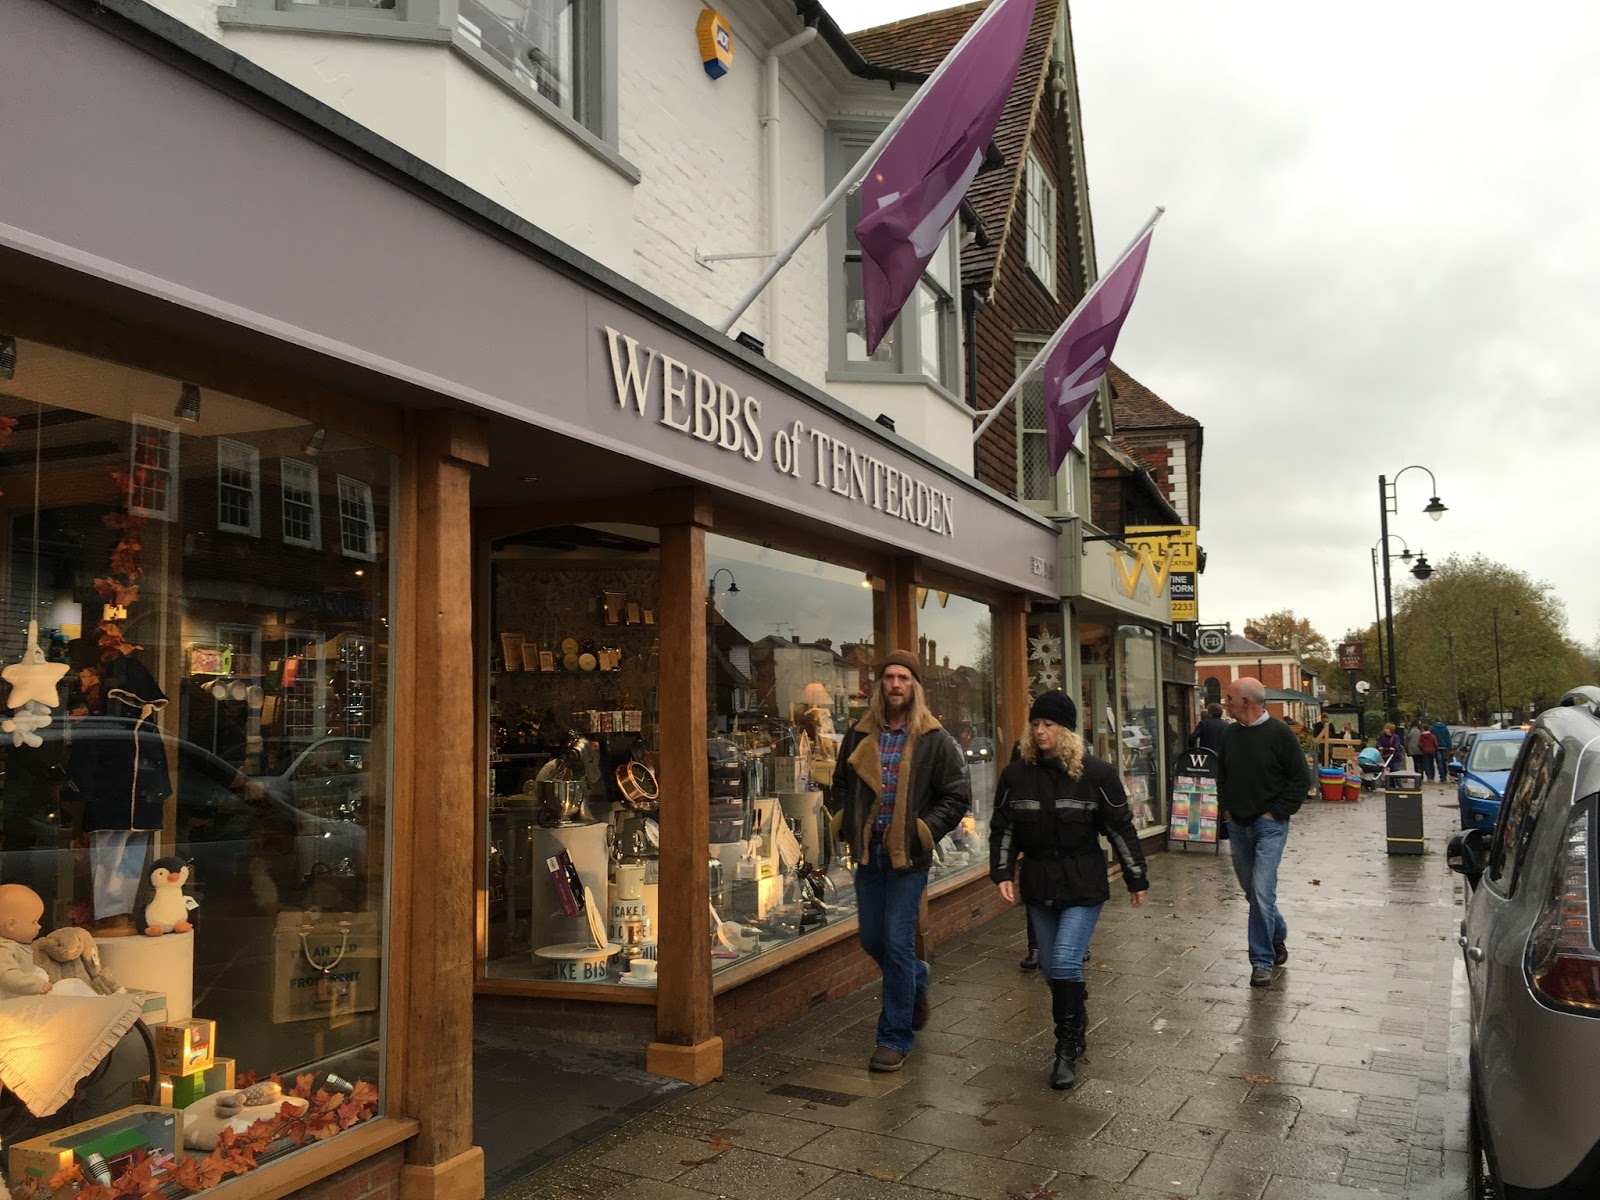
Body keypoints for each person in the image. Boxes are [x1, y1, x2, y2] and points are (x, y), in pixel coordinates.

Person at [990, 691, 1147, 1090]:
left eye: (1050, 725)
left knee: (1061, 963)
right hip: (1040, 884)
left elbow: (1119, 827)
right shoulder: (1015, 776)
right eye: (1036, 724)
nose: (1041, 731)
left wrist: (1135, 876)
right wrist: (1002, 872)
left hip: (1082, 884)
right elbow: (1004, 828)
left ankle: (1066, 1048)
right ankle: (1076, 1012)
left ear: (1067, 730)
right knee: (1050, 968)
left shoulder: (1096, 775)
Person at [831, 650, 971, 1072]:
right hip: (868, 853)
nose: (895, 685)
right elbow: (839, 785)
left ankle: (893, 1037)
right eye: (889, 677)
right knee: (872, 940)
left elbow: (957, 795)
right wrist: (845, 822)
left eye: (903, 678)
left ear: (914, 687)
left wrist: (922, 831)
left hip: (908, 857)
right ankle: (917, 975)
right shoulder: (859, 735)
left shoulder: (934, 738)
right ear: (880, 686)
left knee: (895, 942)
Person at [1217, 678, 1309, 987]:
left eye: (1229, 698)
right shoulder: (1230, 734)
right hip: (1239, 825)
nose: (1224, 702)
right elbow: (1222, 776)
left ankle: (1261, 961)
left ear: (1247, 701)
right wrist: (1227, 810)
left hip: (1269, 826)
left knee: (1261, 891)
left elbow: (1300, 779)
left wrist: (1277, 812)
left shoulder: (1280, 734)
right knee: (1253, 893)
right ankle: (1277, 933)